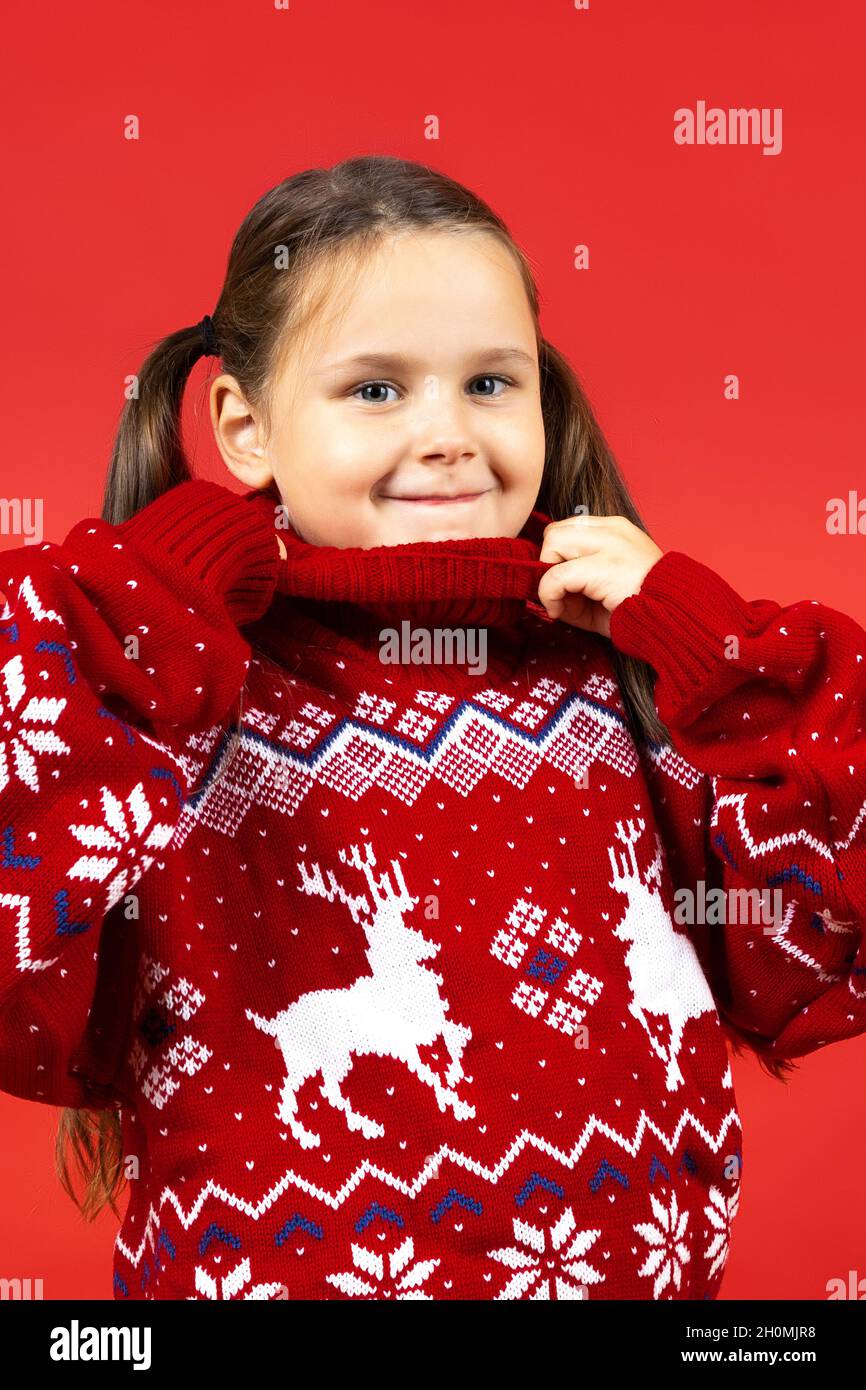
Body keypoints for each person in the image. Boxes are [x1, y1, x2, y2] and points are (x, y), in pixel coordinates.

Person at [1, 155, 863, 1301]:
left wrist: (717, 652)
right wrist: (145, 601)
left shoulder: (618, 669)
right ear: (244, 428)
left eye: (490, 384)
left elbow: (821, 919)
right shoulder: (172, 690)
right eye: (375, 390)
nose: (449, 433)